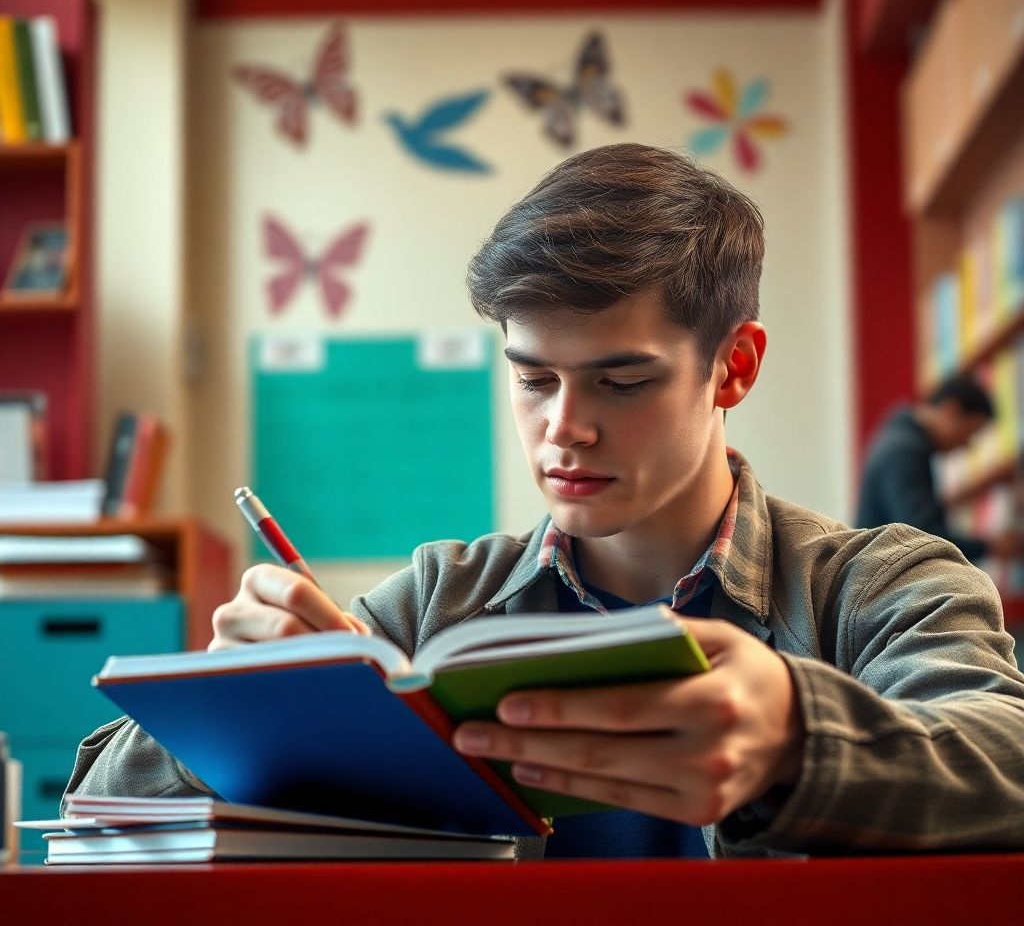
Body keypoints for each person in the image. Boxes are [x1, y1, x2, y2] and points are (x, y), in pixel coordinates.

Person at [64, 143, 1024, 857]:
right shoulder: (438, 604)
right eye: (533, 380)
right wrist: (235, 707)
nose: (565, 428)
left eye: (620, 381)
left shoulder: (880, 586)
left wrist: (797, 739)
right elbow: (92, 806)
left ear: (733, 368)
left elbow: (1005, 759)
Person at [857, 375, 1023, 562]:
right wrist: (990, 547)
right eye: (971, 432)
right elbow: (922, 538)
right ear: (951, 411)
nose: (967, 445)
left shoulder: (897, 438)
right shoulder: (906, 450)